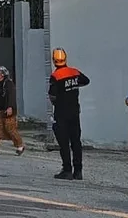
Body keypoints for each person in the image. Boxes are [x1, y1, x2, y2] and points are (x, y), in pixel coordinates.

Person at [48, 48, 90, 180]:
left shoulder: (56, 76)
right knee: (76, 142)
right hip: (74, 112)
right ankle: (78, 171)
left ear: (54, 61)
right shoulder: (74, 72)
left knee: (64, 142)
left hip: (61, 113)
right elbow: (86, 81)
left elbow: (52, 95)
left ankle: (67, 170)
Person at [0, 66, 24, 156]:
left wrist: (10, 107)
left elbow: (11, 95)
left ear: (3, 74)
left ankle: (19, 146)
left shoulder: (8, 83)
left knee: (10, 128)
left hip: (7, 109)